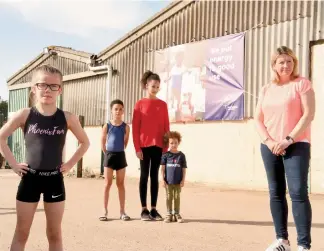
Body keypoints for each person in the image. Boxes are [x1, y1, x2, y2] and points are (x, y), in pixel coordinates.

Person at [0, 65, 90, 251]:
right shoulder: (25, 115)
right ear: (34, 88)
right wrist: (14, 164)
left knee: (54, 234)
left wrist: (70, 164)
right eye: (42, 85)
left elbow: (85, 142)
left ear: (60, 89)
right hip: (30, 179)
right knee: (22, 232)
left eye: (53, 86)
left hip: (54, 180)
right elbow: (1, 137)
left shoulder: (67, 118)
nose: (47, 89)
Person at [255, 46, 315, 251]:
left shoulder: (302, 84)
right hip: (270, 146)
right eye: (281, 62)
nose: (286, 65)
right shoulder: (266, 89)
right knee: (276, 192)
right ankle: (282, 240)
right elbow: (258, 119)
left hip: (296, 144)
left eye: (290, 61)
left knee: (298, 192)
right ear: (274, 65)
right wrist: (270, 141)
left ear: (294, 63)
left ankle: (303, 245)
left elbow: (308, 114)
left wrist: (288, 139)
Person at [132, 70, 170, 221]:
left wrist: (166, 148)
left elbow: (167, 127)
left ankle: (153, 209)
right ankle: (144, 209)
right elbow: (135, 128)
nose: (155, 89)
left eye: (157, 87)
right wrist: (137, 148)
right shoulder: (139, 104)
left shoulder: (163, 105)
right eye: (153, 86)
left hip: (159, 146)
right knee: (143, 176)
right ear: (147, 85)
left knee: (154, 177)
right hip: (144, 146)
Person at [99, 99, 131, 221]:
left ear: (123, 111)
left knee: (120, 184)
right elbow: (102, 141)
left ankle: (122, 211)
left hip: (120, 156)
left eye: (120, 109)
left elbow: (125, 142)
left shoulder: (126, 127)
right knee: (107, 184)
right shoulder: (107, 126)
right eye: (116, 109)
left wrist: (119, 151)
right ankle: (104, 211)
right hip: (109, 156)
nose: (118, 111)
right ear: (112, 111)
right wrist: (106, 153)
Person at [161, 131, 187, 223]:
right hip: (168, 181)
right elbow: (163, 169)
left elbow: (184, 169)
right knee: (169, 197)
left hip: (178, 182)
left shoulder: (182, 156)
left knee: (177, 197)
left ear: (178, 143)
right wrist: (162, 179)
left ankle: (176, 214)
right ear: (168, 143)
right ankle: (169, 214)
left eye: (175, 143)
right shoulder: (165, 155)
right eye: (171, 143)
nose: (173, 145)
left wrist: (183, 180)